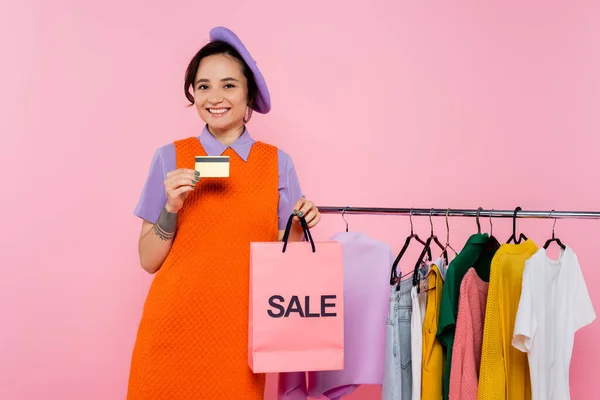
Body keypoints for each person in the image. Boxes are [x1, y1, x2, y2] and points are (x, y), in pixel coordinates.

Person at [126, 26, 321, 399]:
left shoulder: (278, 164)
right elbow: (148, 261)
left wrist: (300, 222)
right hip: (170, 328)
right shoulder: (169, 157)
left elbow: (285, 263)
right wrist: (171, 207)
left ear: (249, 94)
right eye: (203, 86)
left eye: (228, 85)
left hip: (242, 334)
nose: (214, 97)